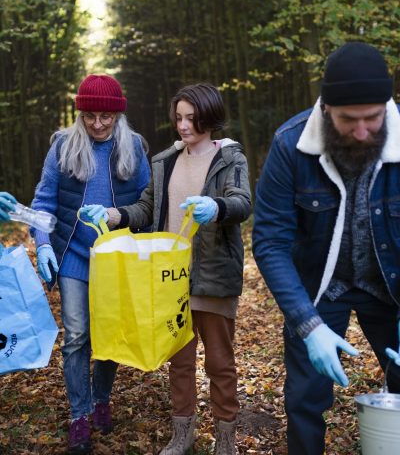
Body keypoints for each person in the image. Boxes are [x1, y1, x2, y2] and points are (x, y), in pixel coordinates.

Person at [81, 83, 251, 455]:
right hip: (170, 278)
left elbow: (242, 202)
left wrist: (217, 207)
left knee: (220, 363)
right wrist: (112, 215)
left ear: (210, 116)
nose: (184, 126)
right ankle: (182, 434)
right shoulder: (164, 161)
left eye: (192, 118)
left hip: (213, 274)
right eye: (179, 118)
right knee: (180, 362)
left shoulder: (230, 158)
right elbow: (146, 208)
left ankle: (226, 440)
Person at [252, 41, 400, 455]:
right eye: (348, 120)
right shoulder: (289, 145)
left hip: (389, 288)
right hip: (318, 288)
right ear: (325, 109)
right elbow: (270, 241)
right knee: (305, 399)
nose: (362, 130)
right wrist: (308, 325)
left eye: (373, 118)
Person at [31, 74, 151, 454]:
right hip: (73, 255)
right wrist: (43, 245)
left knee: (110, 337)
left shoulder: (134, 147)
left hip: (115, 258)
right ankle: (79, 414)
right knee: (78, 335)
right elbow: (43, 202)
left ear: (118, 116)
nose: (98, 124)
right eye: (90, 116)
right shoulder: (63, 147)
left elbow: (149, 205)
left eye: (106, 117)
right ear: (79, 115)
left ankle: (102, 398)